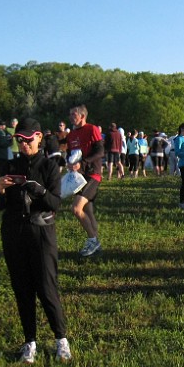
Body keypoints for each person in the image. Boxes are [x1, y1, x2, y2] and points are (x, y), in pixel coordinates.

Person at [0, 118, 71, 364]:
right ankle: (30, 342)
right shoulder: (9, 164)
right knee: (22, 289)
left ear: (39, 137)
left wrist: (40, 191)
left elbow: (55, 203)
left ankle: (61, 339)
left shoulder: (49, 166)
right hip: (14, 232)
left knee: (47, 287)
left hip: (41, 231)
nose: (24, 144)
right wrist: (0, 190)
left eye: (28, 139)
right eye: (19, 140)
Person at [66, 104, 105, 257]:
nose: (70, 117)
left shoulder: (92, 129)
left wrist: (83, 163)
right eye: (70, 114)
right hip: (79, 176)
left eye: (73, 114)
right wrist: (69, 163)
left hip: (92, 174)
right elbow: (71, 153)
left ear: (82, 116)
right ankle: (97, 246)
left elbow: (100, 151)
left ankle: (92, 240)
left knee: (76, 208)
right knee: (87, 210)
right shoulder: (71, 135)